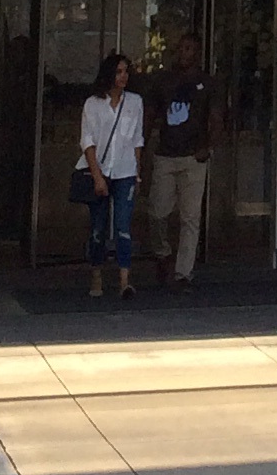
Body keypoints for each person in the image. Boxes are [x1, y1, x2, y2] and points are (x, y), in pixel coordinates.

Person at [143, 35, 216, 288]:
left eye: (189, 49)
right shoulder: (163, 81)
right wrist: (140, 149)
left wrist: (208, 147)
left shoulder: (207, 83)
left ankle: (183, 272)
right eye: (180, 48)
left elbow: (216, 117)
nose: (183, 53)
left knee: (190, 217)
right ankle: (162, 253)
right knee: (157, 213)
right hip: (165, 155)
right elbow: (150, 115)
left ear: (197, 53)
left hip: (193, 157)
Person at [79, 51, 145, 300]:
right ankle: (96, 274)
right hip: (101, 170)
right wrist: (97, 176)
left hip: (126, 170)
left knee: (123, 226)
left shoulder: (135, 102)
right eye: (118, 72)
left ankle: (124, 280)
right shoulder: (93, 104)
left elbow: (137, 139)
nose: (123, 76)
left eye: (126, 72)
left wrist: (137, 172)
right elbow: (87, 142)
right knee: (98, 227)